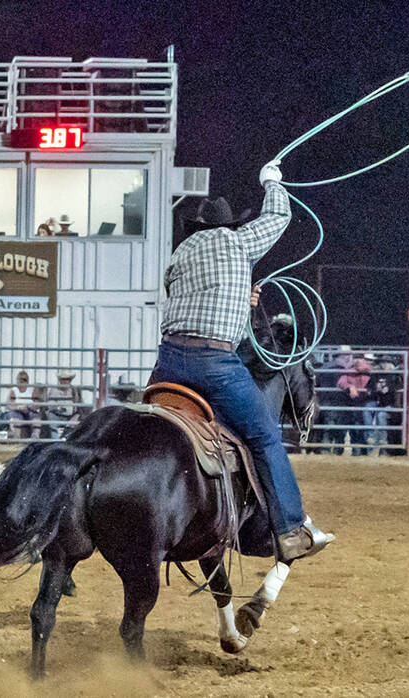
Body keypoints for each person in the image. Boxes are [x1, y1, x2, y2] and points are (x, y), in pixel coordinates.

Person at [150, 159, 333, 561]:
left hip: (167, 364)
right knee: (266, 436)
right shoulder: (239, 242)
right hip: (213, 363)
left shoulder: (181, 252)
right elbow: (279, 216)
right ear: (229, 227)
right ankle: (290, 528)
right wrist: (272, 182)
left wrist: (237, 296)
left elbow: (182, 294)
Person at [44, 369, 83, 438]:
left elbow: (80, 405)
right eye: (62, 379)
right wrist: (59, 408)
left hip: (71, 417)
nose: (64, 381)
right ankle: (55, 441)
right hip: (56, 415)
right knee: (51, 419)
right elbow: (50, 405)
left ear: (70, 380)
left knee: (79, 422)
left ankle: (66, 439)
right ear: (59, 380)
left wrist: (77, 414)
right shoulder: (54, 390)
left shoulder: (75, 390)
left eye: (67, 379)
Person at [6, 370, 37, 439]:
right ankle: (17, 439)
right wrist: (20, 407)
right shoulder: (14, 390)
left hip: (29, 410)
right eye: (21, 380)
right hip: (17, 411)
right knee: (16, 418)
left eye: (24, 380)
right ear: (18, 381)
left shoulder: (31, 390)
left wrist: (30, 407)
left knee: (36, 417)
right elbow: (10, 405)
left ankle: (34, 437)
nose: (22, 382)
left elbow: (36, 404)